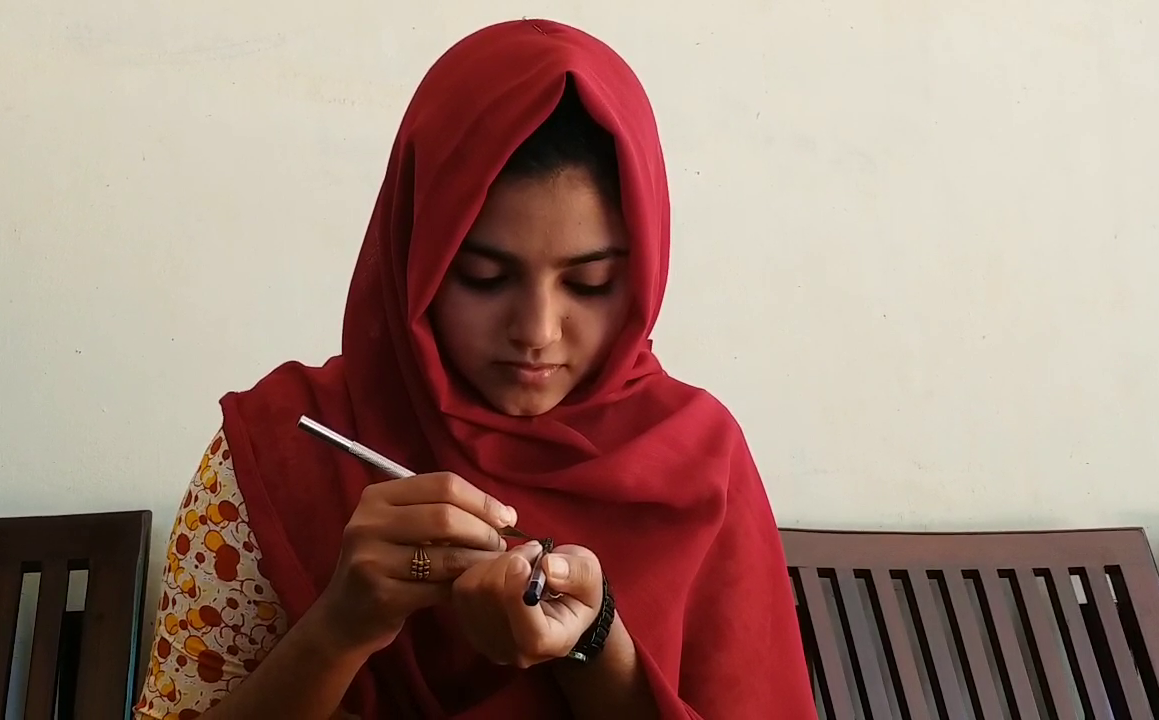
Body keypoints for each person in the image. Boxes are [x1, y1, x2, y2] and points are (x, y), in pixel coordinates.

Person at [134, 18, 815, 720]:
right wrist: (341, 629)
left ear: (641, 275)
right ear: (414, 261)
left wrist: (594, 645)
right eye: (485, 277)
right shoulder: (280, 451)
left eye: (589, 284)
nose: (537, 332)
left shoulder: (699, 461)